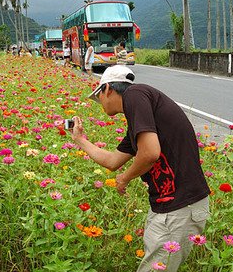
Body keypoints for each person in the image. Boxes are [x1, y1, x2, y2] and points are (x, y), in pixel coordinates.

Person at [69, 65, 210, 272]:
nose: (100, 103)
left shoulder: (135, 94)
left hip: (179, 206)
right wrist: (80, 140)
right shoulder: (140, 117)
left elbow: (150, 153)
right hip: (170, 206)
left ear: (108, 89)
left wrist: (125, 178)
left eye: (98, 97)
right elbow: (112, 161)